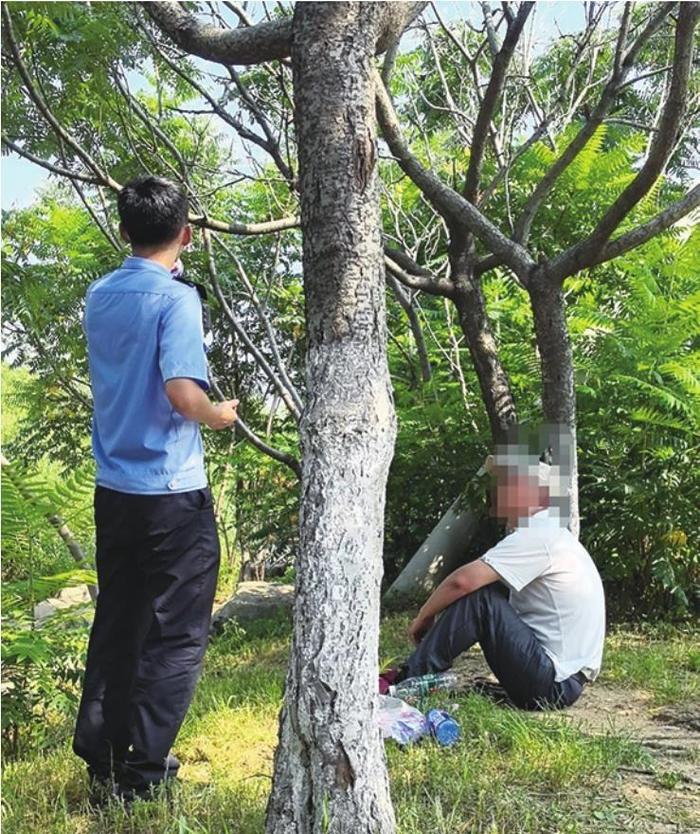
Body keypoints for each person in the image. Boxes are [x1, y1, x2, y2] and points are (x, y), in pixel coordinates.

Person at [73, 174, 239, 803]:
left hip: (114, 489)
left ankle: (102, 763)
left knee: (119, 623)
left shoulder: (100, 295)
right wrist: (220, 414)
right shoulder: (175, 298)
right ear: (186, 235)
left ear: (123, 231)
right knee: (177, 635)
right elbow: (180, 392)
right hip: (170, 493)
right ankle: (142, 774)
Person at [382, 450, 606, 710]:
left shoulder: (539, 535)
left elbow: (463, 582)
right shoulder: (552, 534)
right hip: (563, 681)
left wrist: (424, 616)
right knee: (489, 593)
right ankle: (415, 677)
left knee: (482, 600)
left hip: (553, 684)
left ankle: (407, 683)